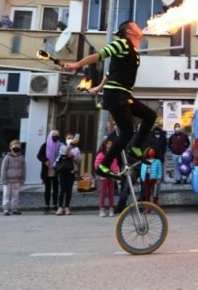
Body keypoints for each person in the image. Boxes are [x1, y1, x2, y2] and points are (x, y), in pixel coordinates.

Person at [62, 20, 156, 179]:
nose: (140, 29)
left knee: (150, 116)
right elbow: (99, 55)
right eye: (136, 27)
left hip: (124, 95)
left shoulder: (133, 50)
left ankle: (135, 149)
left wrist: (98, 87)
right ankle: (104, 165)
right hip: (116, 95)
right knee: (126, 132)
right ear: (129, 32)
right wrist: (76, 64)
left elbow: (110, 72)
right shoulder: (121, 44)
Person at [36, 129, 61, 214]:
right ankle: (46, 206)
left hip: (56, 170)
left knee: (56, 188)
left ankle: (55, 205)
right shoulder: (45, 145)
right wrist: (45, 160)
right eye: (53, 134)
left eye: (57, 134)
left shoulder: (60, 145)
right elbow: (39, 155)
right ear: (50, 135)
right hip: (47, 169)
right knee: (47, 188)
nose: (55, 136)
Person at [55, 133, 81, 215]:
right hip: (63, 171)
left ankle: (67, 207)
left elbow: (79, 160)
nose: (70, 139)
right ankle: (60, 207)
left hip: (72, 172)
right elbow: (64, 152)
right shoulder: (63, 147)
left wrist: (73, 157)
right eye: (68, 138)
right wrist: (71, 145)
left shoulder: (76, 149)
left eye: (71, 138)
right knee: (62, 190)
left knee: (69, 190)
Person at [95, 135, 119, 217]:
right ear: (105, 144)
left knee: (111, 193)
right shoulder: (101, 154)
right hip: (104, 176)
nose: (110, 145)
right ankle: (102, 209)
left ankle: (111, 209)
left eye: (111, 144)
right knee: (103, 193)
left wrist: (115, 173)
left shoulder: (113, 154)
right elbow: (97, 164)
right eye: (108, 143)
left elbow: (115, 165)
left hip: (111, 176)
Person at [1, 139, 26, 216]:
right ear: (10, 147)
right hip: (8, 180)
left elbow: (24, 169)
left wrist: (22, 179)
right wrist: (4, 179)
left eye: (18, 147)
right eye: (14, 146)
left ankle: (14, 208)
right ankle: (6, 209)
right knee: (6, 194)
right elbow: (3, 169)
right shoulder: (7, 157)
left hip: (17, 180)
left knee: (15, 194)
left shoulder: (21, 157)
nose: (16, 148)